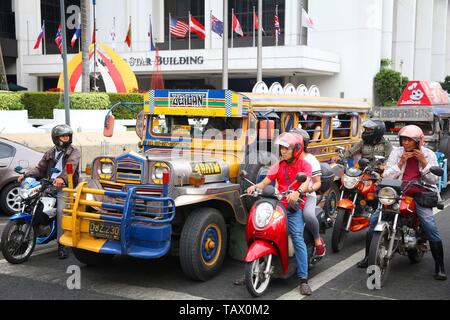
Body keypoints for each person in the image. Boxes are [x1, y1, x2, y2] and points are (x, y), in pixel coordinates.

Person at [356, 125, 446, 281]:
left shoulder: (428, 154)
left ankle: (440, 266)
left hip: (421, 192)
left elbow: (433, 179)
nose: (406, 143)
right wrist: (400, 163)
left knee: (429, 225)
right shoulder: (397, 153)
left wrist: (424, 162)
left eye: (410, 140)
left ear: (418, 141)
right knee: (374, 221)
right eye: (404, 139)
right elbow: (388, 175)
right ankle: (367, 257)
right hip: (398, 191)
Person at [246, 132, 313, 295]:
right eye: (282, 148)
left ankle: (303, 279)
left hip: (293, 206)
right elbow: (265, 182)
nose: (283, 151)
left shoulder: (305, 166)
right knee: (258, 229)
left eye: (286, 148)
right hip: (278, 204)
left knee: (297, 237)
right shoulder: (278, 165)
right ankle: (252, 267)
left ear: (296, 149)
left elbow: (306, 183)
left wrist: (297, 192)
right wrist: (255, 187)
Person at [18, 124, 81, 259]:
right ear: (56, 138)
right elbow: (40, 169)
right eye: (63, 136)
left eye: (68, 136)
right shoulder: (50, 152)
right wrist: (26, 175)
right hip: (48, 183)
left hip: (66, 186)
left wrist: (61, 179)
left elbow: (71, 165)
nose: (66, 138)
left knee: (61, 212)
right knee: (30, 201)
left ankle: (62, 243)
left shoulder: (74, 152)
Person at [291, 128, 326, 257]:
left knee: (308, 215)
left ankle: (317, 240)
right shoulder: (287, 157)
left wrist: (308, 190)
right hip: (288, 195)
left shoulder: (311, 160)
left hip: (307, 196)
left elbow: (318, 182)